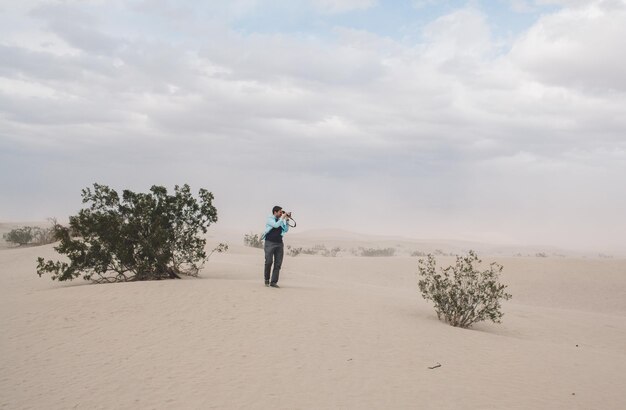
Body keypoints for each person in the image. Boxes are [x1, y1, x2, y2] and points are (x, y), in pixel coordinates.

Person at [261, 205, 290, 288]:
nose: (282, 214)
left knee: (278, 264)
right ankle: (267, 279)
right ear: (275, 212)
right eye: (280, 212)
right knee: (269, 261)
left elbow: (286, 230)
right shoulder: (270, 219)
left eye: (282, 212)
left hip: (279, 244)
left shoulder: (282, 220)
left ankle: (273, 282)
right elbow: (276, 225)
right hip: (269, 243)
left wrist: (287, 219)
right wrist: (282, 218)